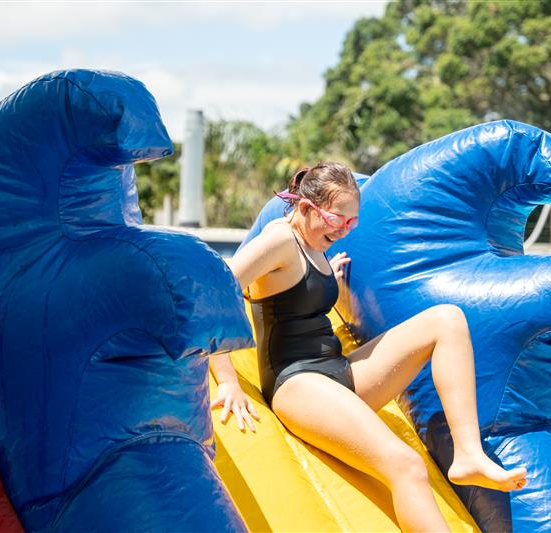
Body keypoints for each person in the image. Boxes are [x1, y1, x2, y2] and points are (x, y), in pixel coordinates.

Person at [208, 161, 527, 532]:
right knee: (406, 466)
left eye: (352, 223)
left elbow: (300, 306)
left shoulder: (317, 244)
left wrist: (338, 295)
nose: (343, 231)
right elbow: (215, 296)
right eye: (337, 220)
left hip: (337, 369)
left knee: (447, 319)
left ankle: (469, 453)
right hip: (298, 383)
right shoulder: (280, 239)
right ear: (307, 207)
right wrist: (227, 380)